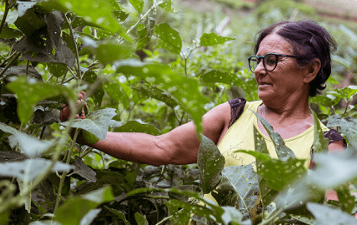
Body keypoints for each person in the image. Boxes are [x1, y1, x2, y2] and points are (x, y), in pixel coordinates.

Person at [60, 20, 344, 168]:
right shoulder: (234, 114)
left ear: (310, 71)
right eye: (256, 61)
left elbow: (335, 223)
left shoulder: (326, 145)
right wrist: (84, 132)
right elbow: (163, 148)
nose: (258, 70)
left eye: (271, 60)